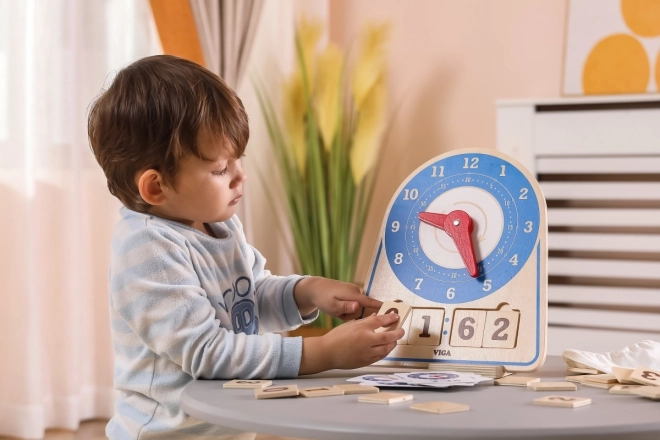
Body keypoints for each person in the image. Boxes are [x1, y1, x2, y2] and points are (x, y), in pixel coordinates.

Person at [87, 54, 404, 440]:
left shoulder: (219, 224)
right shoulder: (147, 249)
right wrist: (323, 354)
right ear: (156, 187)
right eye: (220, 169)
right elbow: (206, 353)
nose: (240, 176)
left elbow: (248, 297)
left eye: (238, 160)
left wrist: (309, 292)